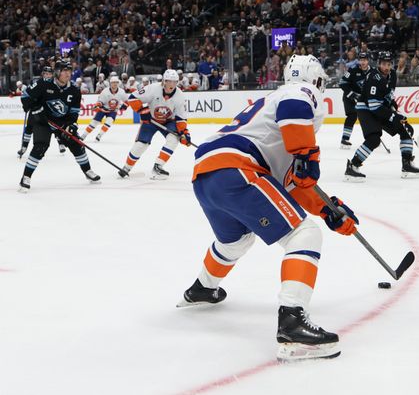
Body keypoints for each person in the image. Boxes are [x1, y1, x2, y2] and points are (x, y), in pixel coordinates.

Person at [179, 54, 357, 362]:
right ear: (315, 79)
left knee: (234, 241)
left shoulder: (271, 115)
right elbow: (296, 109)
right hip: (238, 168)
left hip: (207, 175)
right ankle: (292, 322)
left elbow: (289, 186)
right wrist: (305, 154)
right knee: (304, 235)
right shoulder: (298, 93)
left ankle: (202, 289)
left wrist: (328, 209)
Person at [18, 59, 100, 191]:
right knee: (40, 147)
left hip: (61, 122)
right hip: (43, 121)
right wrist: (35, 109)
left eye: (69, 71)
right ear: (57, 72)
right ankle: (26, 177)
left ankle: (88, 171)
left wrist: (72, 124)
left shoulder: (74, 90)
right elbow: (25, 96)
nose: (68, 74)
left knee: (77, 145)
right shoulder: (44, 84)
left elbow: (74, 111)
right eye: (65, 71)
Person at [345, 51, 419, 181]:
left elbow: (388, 93)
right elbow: (374, 106)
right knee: (374, 139)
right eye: (383, 64)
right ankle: (352, 167)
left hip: (380, 108)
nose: (386, 67)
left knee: (405, 129)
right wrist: (393, 116)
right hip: (365, 109)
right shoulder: (373, 77)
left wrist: (392, 104)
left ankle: (407, 165)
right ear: (379, 64)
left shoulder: (392, 74)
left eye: (389, 64)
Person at [119, 69, 191, 180]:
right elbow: (133, 98)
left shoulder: (180, 96)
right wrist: (142, 111)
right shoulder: (152, 88)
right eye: (168, 81)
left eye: (174, 82)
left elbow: (181, 118)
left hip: (168, 121)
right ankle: (127, 167)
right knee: (141, 145)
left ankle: (158, 166)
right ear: (163, 81)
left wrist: (184, 133)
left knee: (173, 139)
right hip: (150, 120)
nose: (171, 84)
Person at [17, 66, 52, 158]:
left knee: (53, 128)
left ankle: (61, 144)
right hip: (35, 109)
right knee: (29, 128)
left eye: (49, 74)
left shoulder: (54, 84)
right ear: (43, 74)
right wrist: (26, 105)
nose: (47, 76)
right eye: (46, 74)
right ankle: (24, 147)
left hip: (48, 111)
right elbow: (26, 95)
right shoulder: (37, 83)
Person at [80, 76, 129, 142]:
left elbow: (127, 101)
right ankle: (84, 135)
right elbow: (100, 101)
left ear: (118, 83)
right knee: (94, 122)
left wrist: (124, 106)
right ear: (110, 83)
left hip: (113, 110)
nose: (115, 84)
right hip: (103, 109)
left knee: (109, 121)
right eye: (113, 82)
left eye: (116, 82)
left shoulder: (121, 92)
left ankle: (99, 135)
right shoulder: (105, 91)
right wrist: (98, 105)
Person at [338, 52, 370, 149]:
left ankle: (372, 137)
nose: (363, 62)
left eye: (364, 60)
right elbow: (342, 82)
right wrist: (351, 93)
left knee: (369, 118)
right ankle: (345, 139)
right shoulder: (353, 70)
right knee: (352, 116)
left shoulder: (372, 72)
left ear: (368, 60)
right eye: (361, 60)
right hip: (349, 98)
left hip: (362, 99)